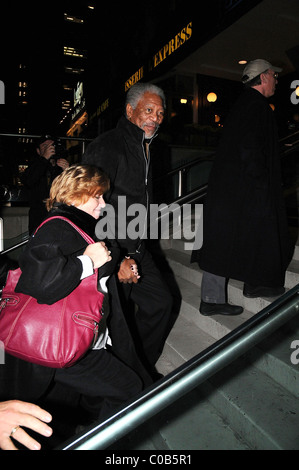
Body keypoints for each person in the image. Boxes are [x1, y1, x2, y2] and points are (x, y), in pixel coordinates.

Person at [0, 165, 152, 447]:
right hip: (60, 344)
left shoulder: (75, 226)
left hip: (66, 343)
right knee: (129, 389)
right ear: (74, 194)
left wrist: (115, 263)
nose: (103, 204)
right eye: (97, 197)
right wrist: (89, 261)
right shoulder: (58, 225)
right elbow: (40, 283)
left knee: (58, 416)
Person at [82, 83, 173, 379]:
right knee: (112, 323)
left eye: (160, 113)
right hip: (111, 247)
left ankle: (139, 368)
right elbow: (86, 203)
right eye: (148, 110)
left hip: (136, 246)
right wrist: (113, 256)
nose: (155, 118)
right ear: (130, 110)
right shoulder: (109, 145)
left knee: (161, 303)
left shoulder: (145, 147)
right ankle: (125, 382)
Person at [191, 59, 294, 316]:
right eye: (273, 75)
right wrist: (261, 187)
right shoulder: (255, 107)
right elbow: (251, 150)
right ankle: (222, 296)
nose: (276, 80)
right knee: (227, 240)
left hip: (234, 190)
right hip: (243, 190)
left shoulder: (245, 105)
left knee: (227, 239)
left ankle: (250, 284)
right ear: (262, 77)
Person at [21, 135, 69, 234]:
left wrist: (68, 172)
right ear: (38, 151)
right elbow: (28, 181)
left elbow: (73, 191)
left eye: (51, 145)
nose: (50, 148)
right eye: (45, 146)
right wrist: (44, 158)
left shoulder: (61, 166)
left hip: (60, 216)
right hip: (39, 218)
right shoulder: (34, 166)